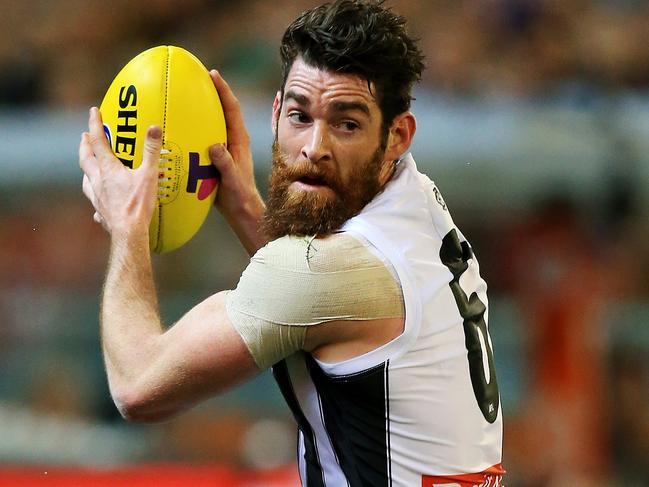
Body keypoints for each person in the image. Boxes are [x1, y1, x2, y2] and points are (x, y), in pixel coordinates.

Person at [79, 1, 504, 485]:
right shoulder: (416, 205)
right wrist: (245, 210)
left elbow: (137, 385)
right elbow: (321, 299)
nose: (313, 147)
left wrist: (128, 224)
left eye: (347, 123)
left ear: (397, 135)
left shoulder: (335, 271)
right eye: (300, 115)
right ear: (276, 111)